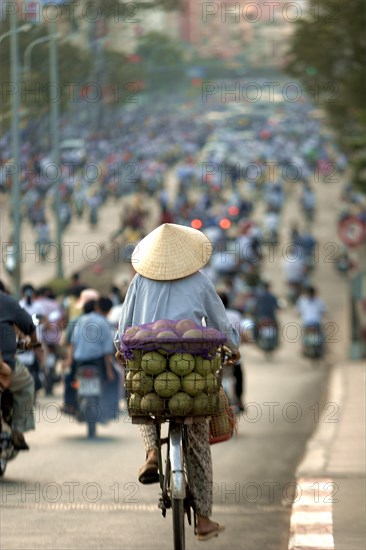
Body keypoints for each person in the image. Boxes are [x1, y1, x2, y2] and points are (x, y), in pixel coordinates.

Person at [115, 223, 240, 541]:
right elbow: (222, 324)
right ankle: (203, 518)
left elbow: (123, 326)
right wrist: (233, 348)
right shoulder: (199, 281)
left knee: (141, 393)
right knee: (197, 443)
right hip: (191, 368)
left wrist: (120, 348)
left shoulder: (139, 281)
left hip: (149, 363)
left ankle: (152, 452)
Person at [0, 281, 40, 450]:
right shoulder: (7, 301)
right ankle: (17, 430)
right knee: (27, 384)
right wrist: (34, 342)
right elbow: (29, 325)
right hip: (5, 365)